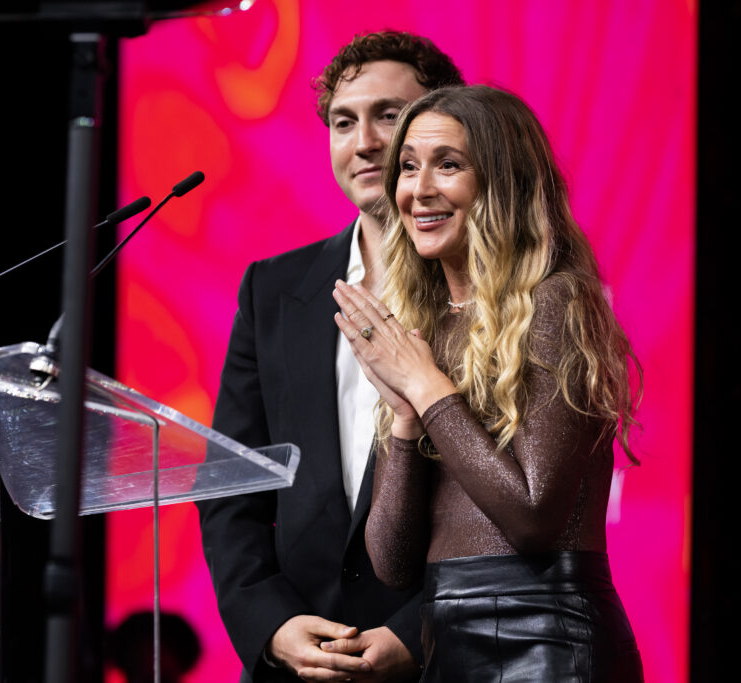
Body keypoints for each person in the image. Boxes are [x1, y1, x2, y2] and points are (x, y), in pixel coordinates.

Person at [332, 85, 644, 681]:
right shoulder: (424, 332)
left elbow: (532, 518)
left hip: (546, 638)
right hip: (445, 641)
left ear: (503, 184)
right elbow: (393, 565)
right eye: (407, 167)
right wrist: (403, 415)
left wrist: (427, 389)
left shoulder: (556, 302)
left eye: (448, 165)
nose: (418, 190)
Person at [196, 32, 464, 683]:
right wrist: (272, 623)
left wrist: (417, 633)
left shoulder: (489, 291)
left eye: (389, 116)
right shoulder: (273, 289)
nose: (364, 142)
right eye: (344, 122)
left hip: (441, 662)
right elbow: (232, 486)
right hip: (296, 663)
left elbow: (513, 508)